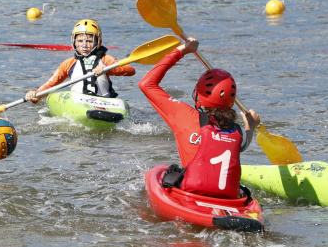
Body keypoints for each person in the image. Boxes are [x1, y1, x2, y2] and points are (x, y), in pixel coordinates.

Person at [137, 37, 259, 199]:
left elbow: (146, 84)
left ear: (198, 95)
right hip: (229, 199)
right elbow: (245, 141)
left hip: (192, 192)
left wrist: (181, 51)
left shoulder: (183, 115)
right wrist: (251, 125)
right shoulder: (237, 132)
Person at [24, 19, 135, 103]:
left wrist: (106, 69)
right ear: (74, 42)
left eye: (89, 41)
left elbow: (131, 70)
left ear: (98, 42)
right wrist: (36, 94)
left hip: (104, 102)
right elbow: (51, 83)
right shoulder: (69, 63)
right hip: (78, 103)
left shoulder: (106, 59)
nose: (84, 45)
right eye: (80, 41)